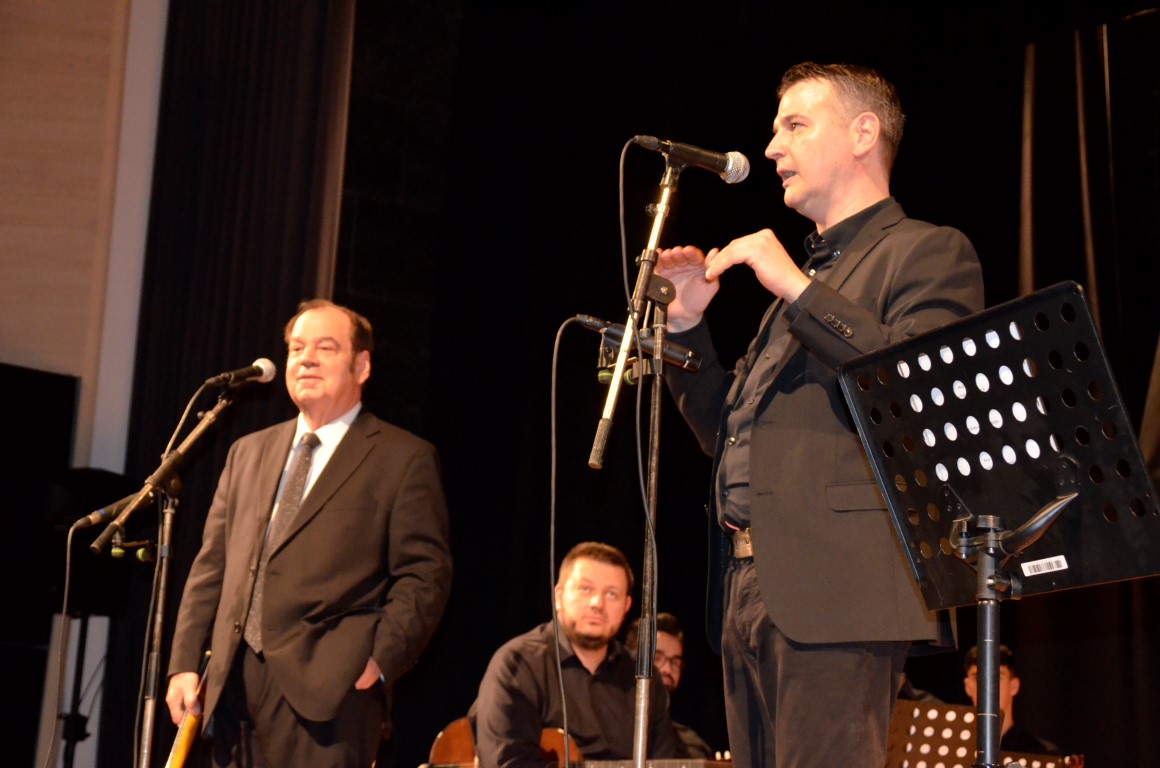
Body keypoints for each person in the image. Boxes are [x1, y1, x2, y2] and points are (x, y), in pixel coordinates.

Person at [655, 61, 985, 767]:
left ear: (863, 134)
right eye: (775, 130)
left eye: (795, 126)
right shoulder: (801, 288)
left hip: (839, 586)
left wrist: (796, 290)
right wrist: (686, 328)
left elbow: (918, 393)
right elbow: (727, 434)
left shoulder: (928, 251)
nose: (772, 147)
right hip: (749, 585)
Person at [165, 299, 453, 767]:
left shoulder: (403, 459)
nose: (306, 359)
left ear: (362, 366)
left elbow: (425, 574)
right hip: (232, 689)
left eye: (325, 347)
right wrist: (184, 662)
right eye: (297, 348)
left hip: (332, 693)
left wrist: (380, 658)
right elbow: (211, 567)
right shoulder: (247, 452)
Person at [469, 542, 686, 767]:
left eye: (611, 594)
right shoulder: (518, 663)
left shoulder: (646, 680)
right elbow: (506, 761)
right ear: (558, 596)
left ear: (627, 605)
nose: (597, 603)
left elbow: (664, 762)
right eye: (585, 589)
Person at [625, 612, 715, 759]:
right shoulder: (613, 728)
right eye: (657, 658)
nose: (667, 669)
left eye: (675, 662)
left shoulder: (693, 747)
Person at [963, 644, 1060, 755]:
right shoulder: (954, 747)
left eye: (996, 678)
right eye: (978, 678)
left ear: (1014, 686)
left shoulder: (1043, 753)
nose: (987, 686)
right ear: (967, 686)